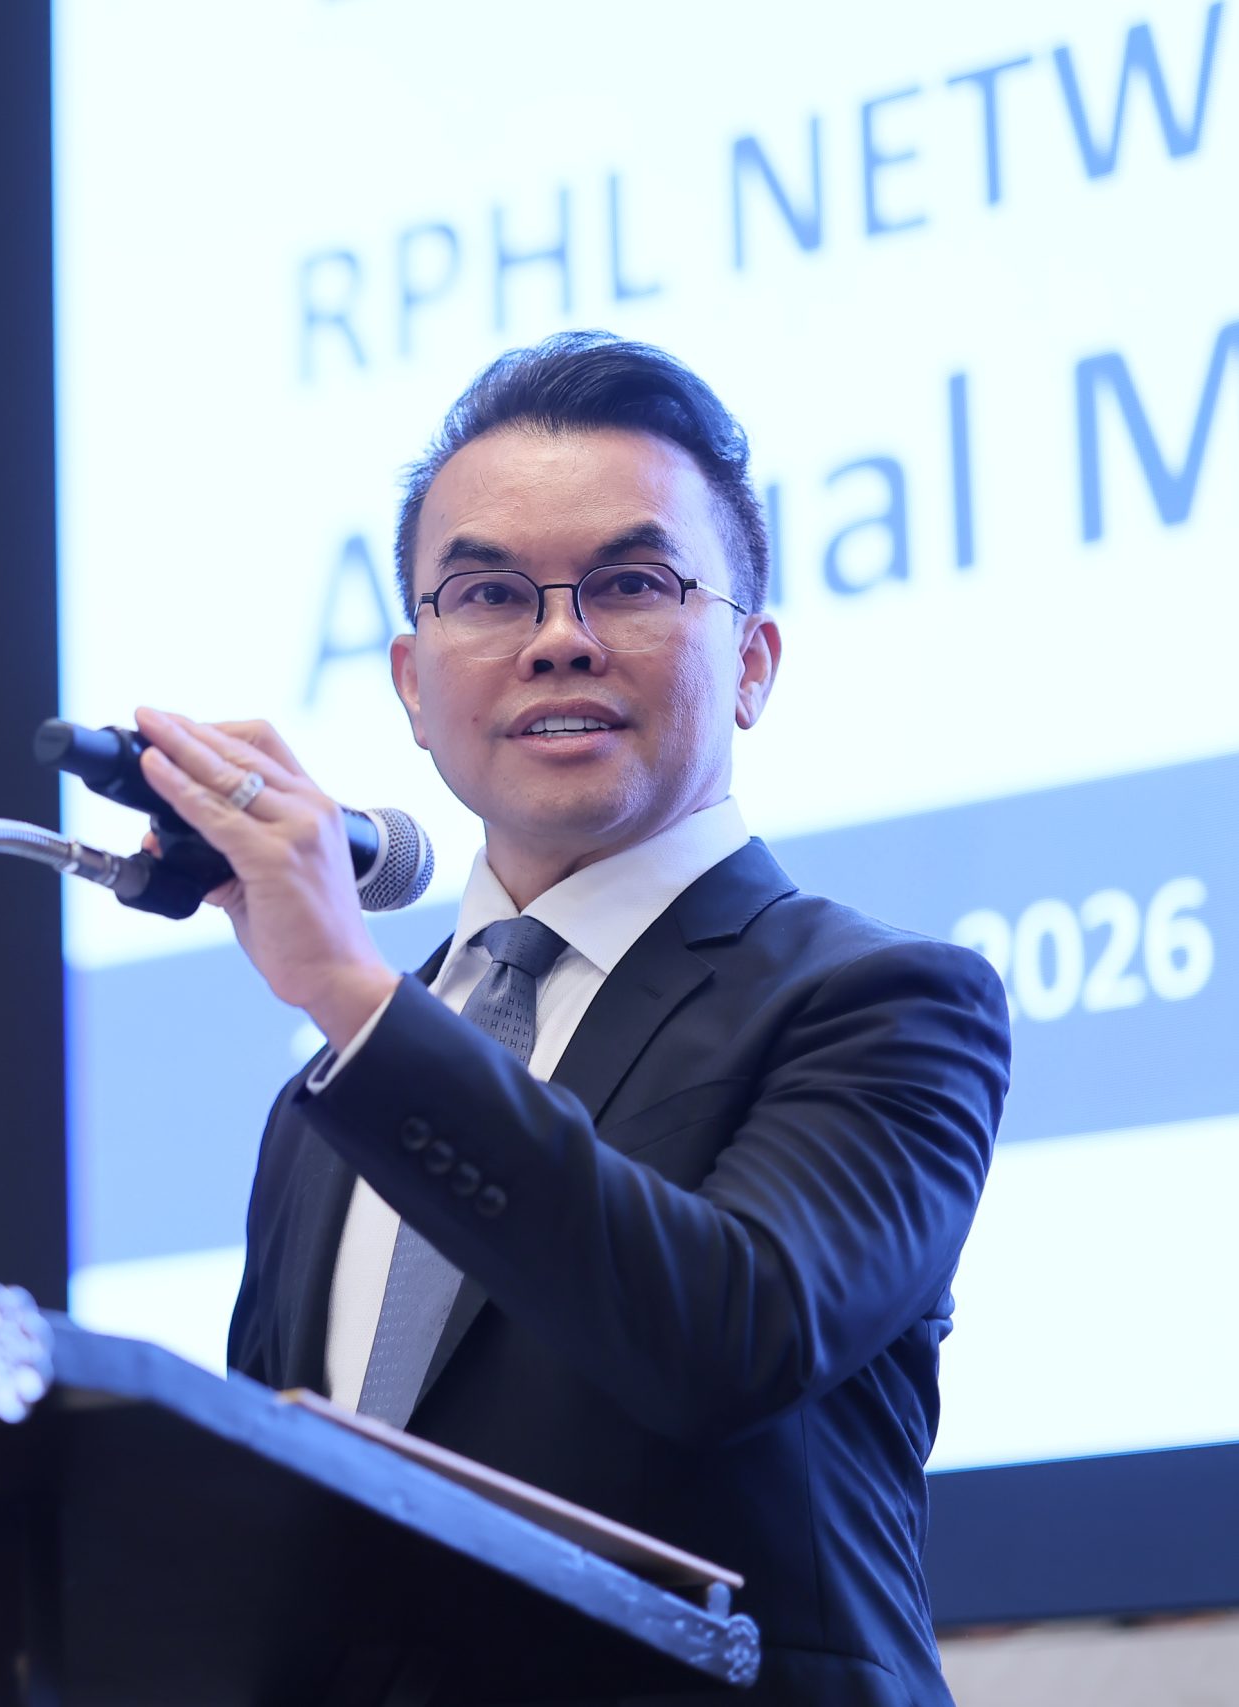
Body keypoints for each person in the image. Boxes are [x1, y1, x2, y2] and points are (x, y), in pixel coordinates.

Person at [131, 331, 1010, 1707]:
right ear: (413, 685)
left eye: (633, 584)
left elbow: (729, 1336)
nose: (558, 639)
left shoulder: (886, 1003)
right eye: (489, 593)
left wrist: (353, 996)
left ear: (754, 663)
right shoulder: (332, 1101)